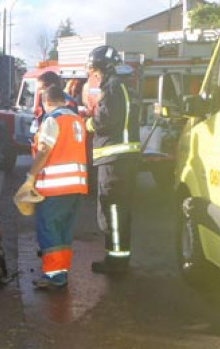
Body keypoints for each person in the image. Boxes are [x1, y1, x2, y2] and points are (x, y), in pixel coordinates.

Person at [17, 85, 89, 288]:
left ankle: (54, 277)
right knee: (64, 232)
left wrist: (31, 176)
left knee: (49, 229)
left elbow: (44, 151)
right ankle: (61, 272)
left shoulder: (53, 120)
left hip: (56, 187)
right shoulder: (77, 120)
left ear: (46, 102)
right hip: (76, 187)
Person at [84, 45, 142, 274]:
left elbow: (106, 119)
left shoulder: (113, 87)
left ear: (102, 67)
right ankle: (118, 256)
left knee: (113, 208)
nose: (93, 75)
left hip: (114, 160)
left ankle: (117, 262)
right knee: (120, 209)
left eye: (94, 70)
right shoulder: (124, 85)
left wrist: (89, 123)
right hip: (123, 159)